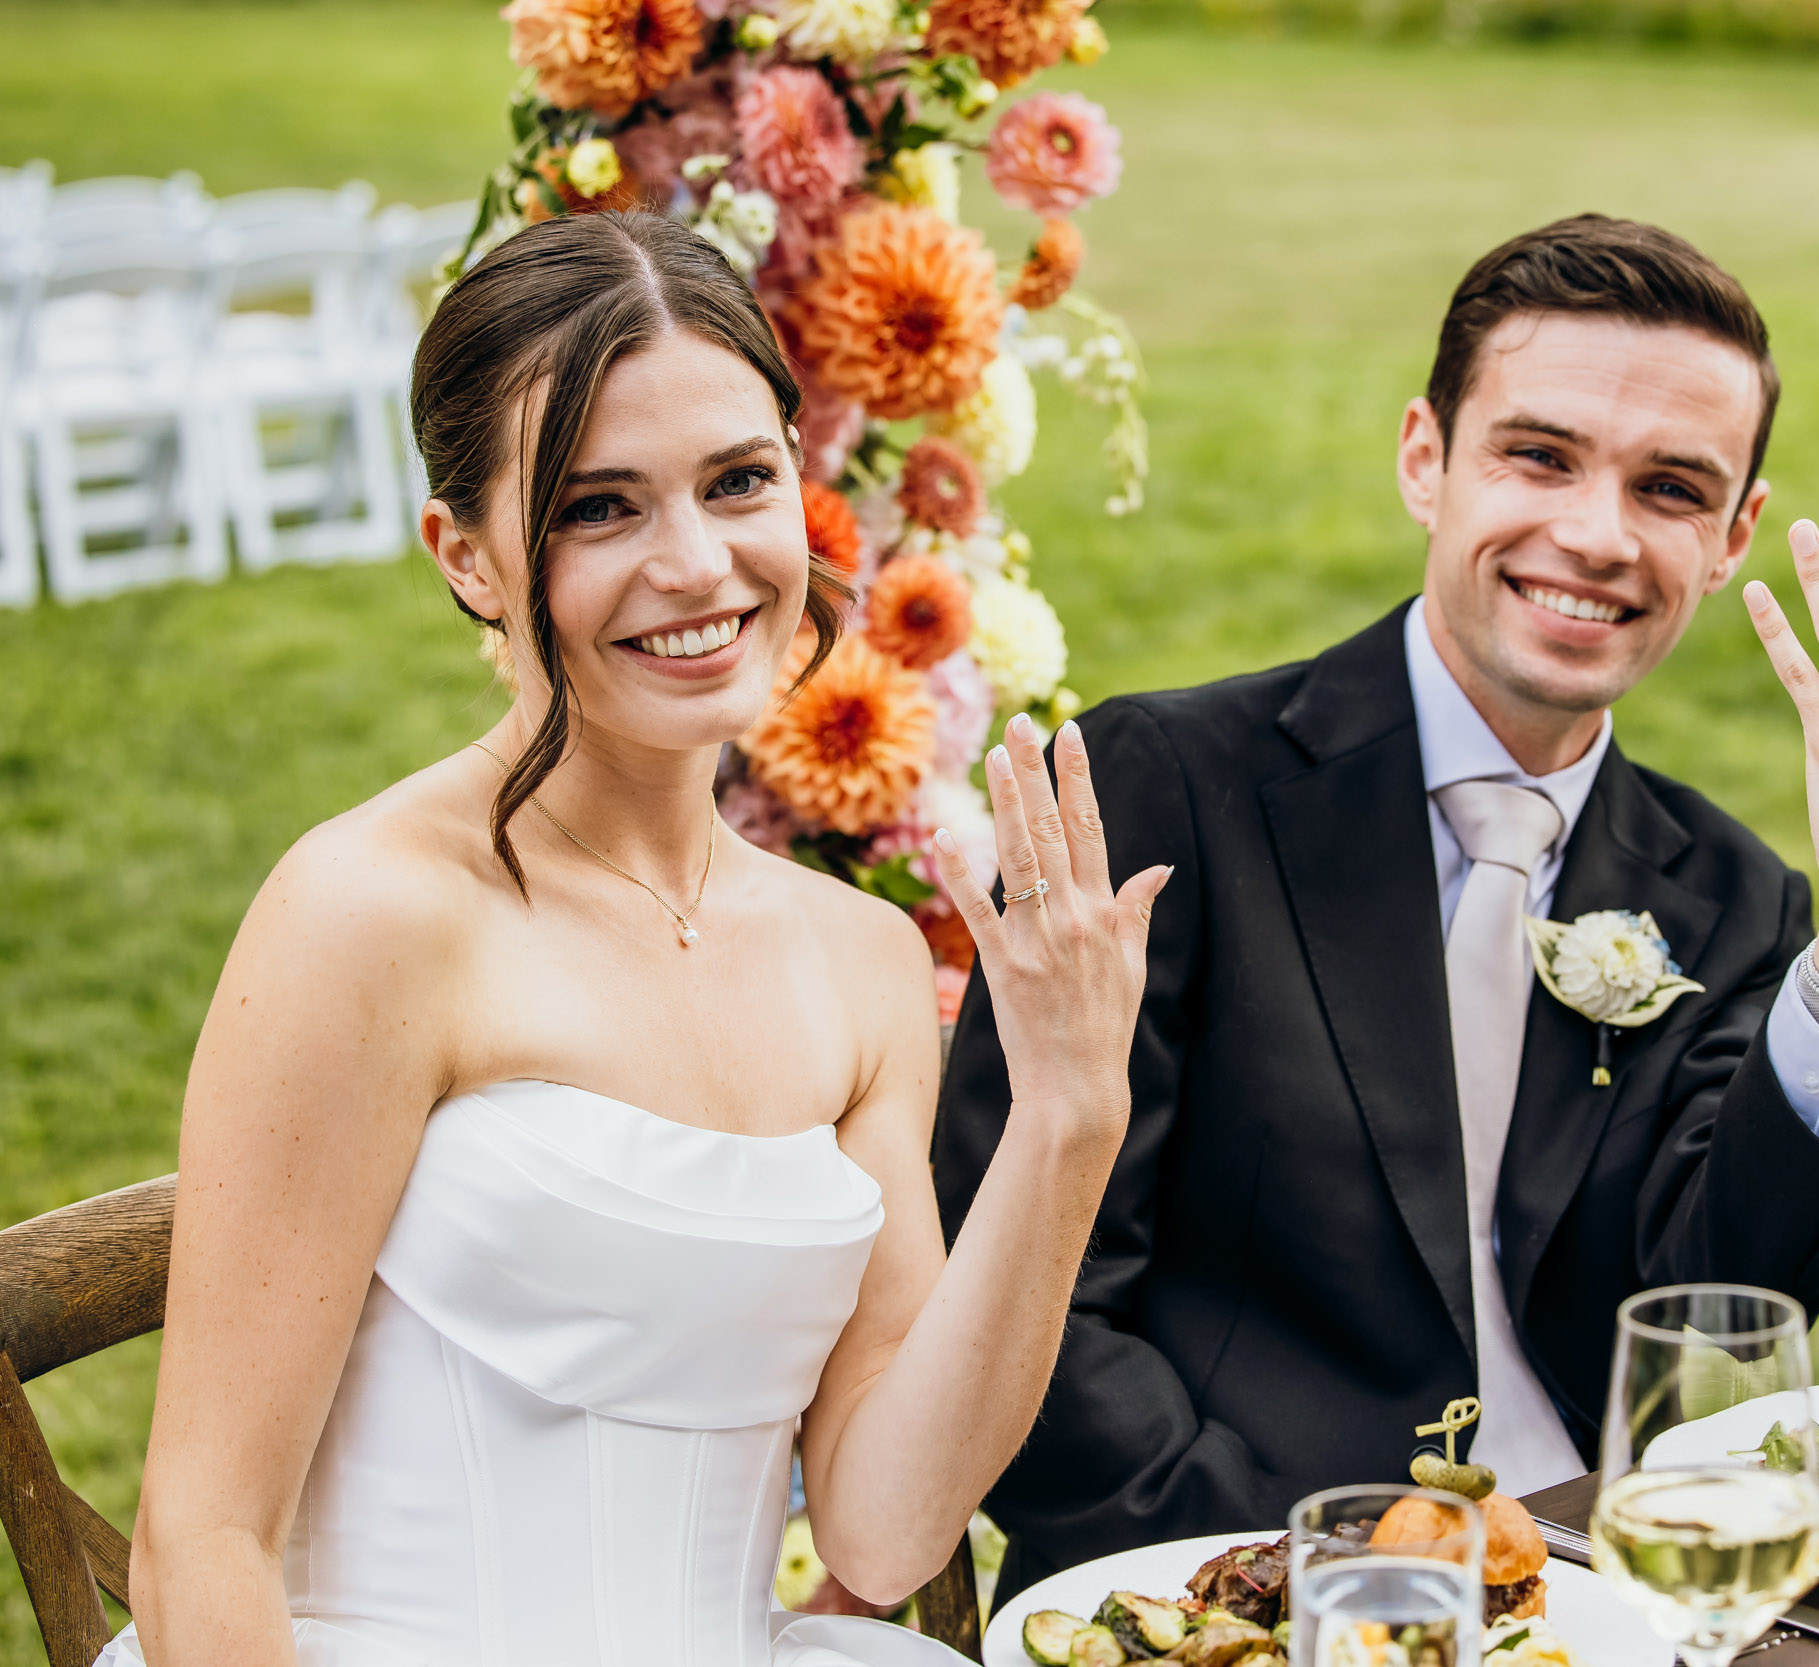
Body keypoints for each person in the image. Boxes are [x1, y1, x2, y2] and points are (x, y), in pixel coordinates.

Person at [934, 214, 1819, 1593]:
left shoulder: (1734, 893)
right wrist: (1318, 1581)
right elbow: (1025, 1301)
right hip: (1222, 1587)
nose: (1596, 534)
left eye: (1671, 488)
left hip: (1601, 1586)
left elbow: (1732, 1292)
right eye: (1540, 456)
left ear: (1734, 534)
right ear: (1425, 459)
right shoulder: (1162, 790)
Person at [107, 211, 1169, 1667]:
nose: (696, 567)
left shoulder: (857, 961)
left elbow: (883, 1528)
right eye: (598, 508)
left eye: (738, 483)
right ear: (467, 556)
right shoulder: (373, 916)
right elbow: (200, 1546)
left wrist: (1068, 1116)